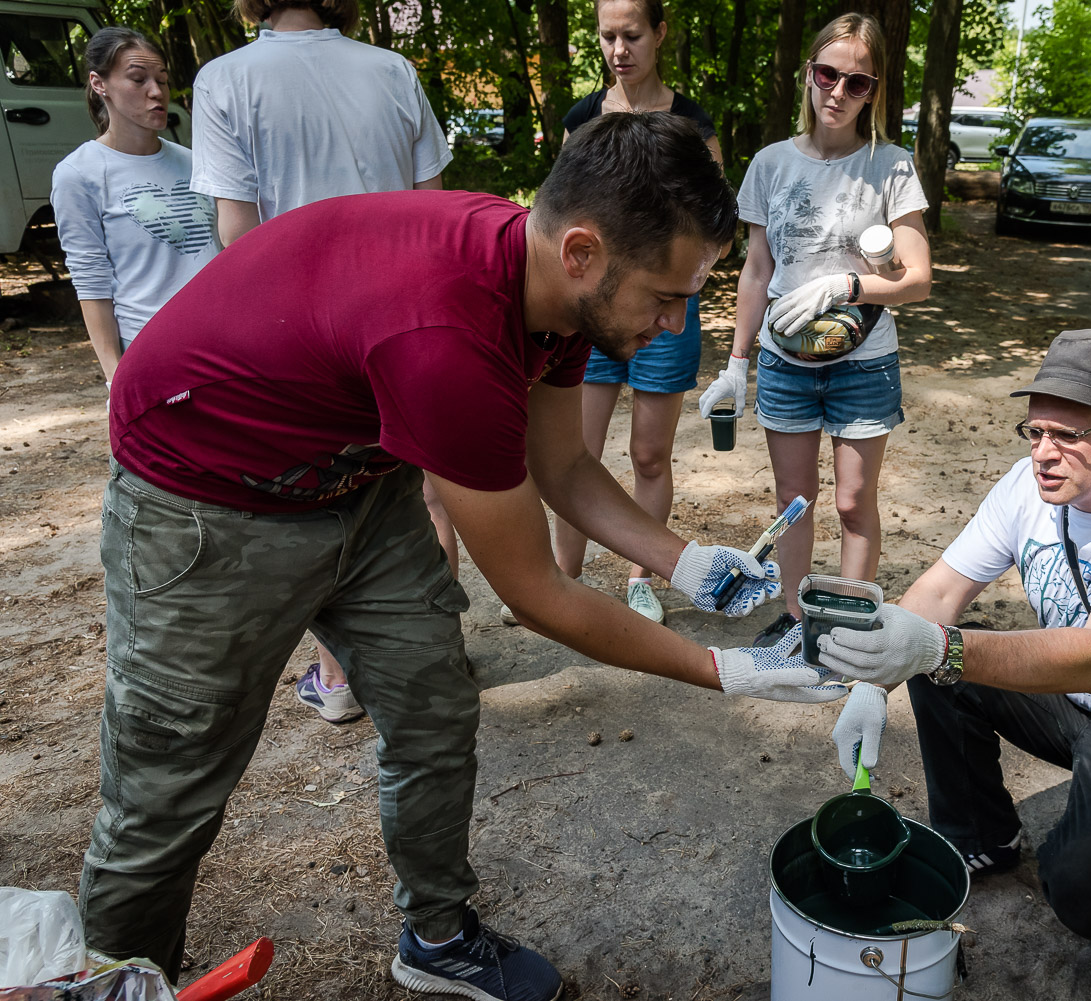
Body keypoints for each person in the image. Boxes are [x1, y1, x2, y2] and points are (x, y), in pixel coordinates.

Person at [83, 113, 842, 1001]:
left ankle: (438, 935)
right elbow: (537, 593)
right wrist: (726, 669)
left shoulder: (557, 290)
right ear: (583, 253)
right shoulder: (448, 341)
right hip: (204, 495)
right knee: (170, 785)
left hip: (355, 482)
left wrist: (686, 562)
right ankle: (107, 985)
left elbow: (562, 465)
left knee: (433, 709)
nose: (677, 323)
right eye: (665, 297)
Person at [820, 329, 1091, 939]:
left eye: (1068, 436)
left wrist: (932, 646)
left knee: (1082, 892)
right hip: (1072, 705)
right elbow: (939, 594)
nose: (1043, 454)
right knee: (934, 652)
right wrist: (873, 682)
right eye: (1035, 431)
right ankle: (980, 838)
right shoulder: (1028, 487)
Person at [189, 0, 453, 724]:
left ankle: (339, 679)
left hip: (299, 328)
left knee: (323, 500)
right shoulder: (392, 71)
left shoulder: (225, 80)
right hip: (402, 319)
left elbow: (238, 232)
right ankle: (436, 658)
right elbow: (433, 214)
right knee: (424, 493)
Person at [697, 12, 932, 647]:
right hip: (784, 363)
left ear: (873, 92)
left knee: (853, 503)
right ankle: (796, 621)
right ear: (809, 74)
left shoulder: (891, 167)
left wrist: (847, 286)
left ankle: (852, 629)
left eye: (857, 82)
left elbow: (918, 280)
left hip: (864, 363)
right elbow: (757, 271)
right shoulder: (770, 164)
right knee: (793, 499)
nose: (838, 91)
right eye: (828, 74)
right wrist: (736, 363)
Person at [550, 0, 722, 624]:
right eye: (608, 36)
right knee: (577, 452)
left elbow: (713, 227)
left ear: (659, 34)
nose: (619, 49)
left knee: (649, 456)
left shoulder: (692, 124)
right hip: (592, 313)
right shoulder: (582, 120)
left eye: (632, 35)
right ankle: (560, 580)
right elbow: (560, 214)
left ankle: (640, 579)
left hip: (665, 318)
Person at [51, 28, 217, 393]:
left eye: (163, 80)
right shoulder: (78, 173)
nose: (157, 92)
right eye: (138, 79)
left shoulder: (196, 163)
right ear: (99, 84)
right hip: (149, 350)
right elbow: (91, 280)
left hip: (221, 341)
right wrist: (116, 376)